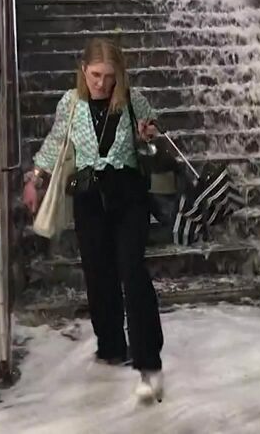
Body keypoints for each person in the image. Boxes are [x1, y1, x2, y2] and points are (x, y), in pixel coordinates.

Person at [23, 38, 165, 402]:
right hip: (88, 197)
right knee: (98, 275)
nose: (101, 84)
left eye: (109, 77)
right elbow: (57, 143)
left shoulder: (134, 101)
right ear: (83, 70)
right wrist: (35, 179)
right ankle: (111, 348)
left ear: (120, 76)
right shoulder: (70, 103)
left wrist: (148, 137)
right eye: (95, 75)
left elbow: (152, 146)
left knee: (132, 273)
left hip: (128, 196)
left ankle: (148, 361)